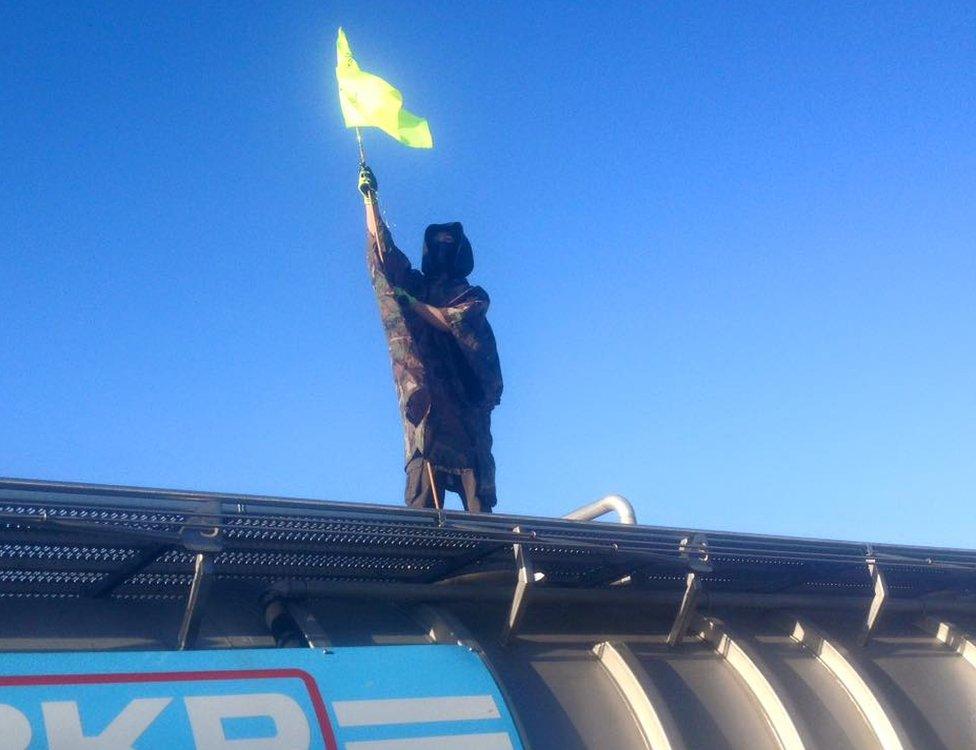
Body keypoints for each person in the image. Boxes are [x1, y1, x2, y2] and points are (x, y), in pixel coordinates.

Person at [358, 164, 502, 513]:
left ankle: (494, 561)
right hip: (430, 410)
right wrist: (370, 201)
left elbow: (450, 321)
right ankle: (420, 561)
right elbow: (385, 258)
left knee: (478, 509)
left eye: (449, 243)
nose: (442, 248)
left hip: (465, 411)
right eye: (437, 242)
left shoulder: (471, 295)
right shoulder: (418, 283)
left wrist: (414, 304)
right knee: (422, 499)